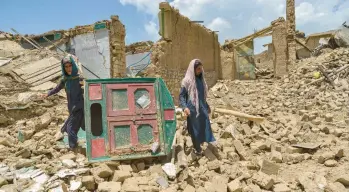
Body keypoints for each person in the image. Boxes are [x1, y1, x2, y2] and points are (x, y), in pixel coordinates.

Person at [42, 54, 85, 152]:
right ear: (63, 68)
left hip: (79, 108)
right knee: (71, 128)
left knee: (70, 128)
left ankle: (73, 149)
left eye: (70, 66)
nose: (68, 68)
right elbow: (57, 88)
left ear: (73, 66)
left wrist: (84, 85)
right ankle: (76, 147)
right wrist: (47, 94)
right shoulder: (65, 80)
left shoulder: (79, 79)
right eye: (66, 67)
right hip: (71, 109)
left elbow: (86, 90)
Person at [179, 59, 216, 155]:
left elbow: (201, 95)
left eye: (201, 69)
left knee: (205, 124)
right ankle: (197, 148)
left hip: (202, 107)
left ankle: (203, 142)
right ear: (193, 69)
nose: (200, 71)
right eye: (198, 69)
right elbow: (181, 96)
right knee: (194, 128)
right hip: (192, 109)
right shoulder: (187, 80)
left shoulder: (201, 80)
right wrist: (184, 107)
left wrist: (207, 105)